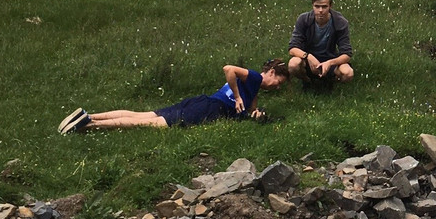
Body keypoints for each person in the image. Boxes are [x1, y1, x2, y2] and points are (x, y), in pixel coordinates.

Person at [58, 59, 289, 134]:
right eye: (279, 82)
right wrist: (238, 97)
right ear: (271, 72)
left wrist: (255, 115)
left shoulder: (255, 89)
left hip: (202, 102)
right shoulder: (256, 79)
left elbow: (249, 111)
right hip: (208, 109)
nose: (277, 87)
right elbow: (229, 69)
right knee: (153, 124)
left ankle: (89, 116)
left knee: (145, 114)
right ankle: (87, 125)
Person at [288, 0, 354, 84]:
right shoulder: (304, 19)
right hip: (308, 60)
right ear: (312, 5)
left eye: (324, 7)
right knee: (293, 64)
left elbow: (347, 54)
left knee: (348, 73)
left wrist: (330, 63)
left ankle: (331, 83)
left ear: (330, 6)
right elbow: (292, 48)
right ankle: (307, 81)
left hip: (330, 59)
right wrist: (308, 57)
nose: (320, 10)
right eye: (317, 6)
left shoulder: (340, 22)